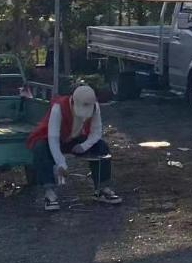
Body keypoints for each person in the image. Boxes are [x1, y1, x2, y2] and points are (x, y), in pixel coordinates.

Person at [26, 84, 122, 212]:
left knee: (101, 147)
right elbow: (53, 137)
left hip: (76, 138)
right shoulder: (58, 107)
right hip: (54, 138)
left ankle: (102, 188)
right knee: (40, 148)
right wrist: (61, 163)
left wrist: (84, 146)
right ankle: (49, 193)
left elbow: (96, 132)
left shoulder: (95, 107)